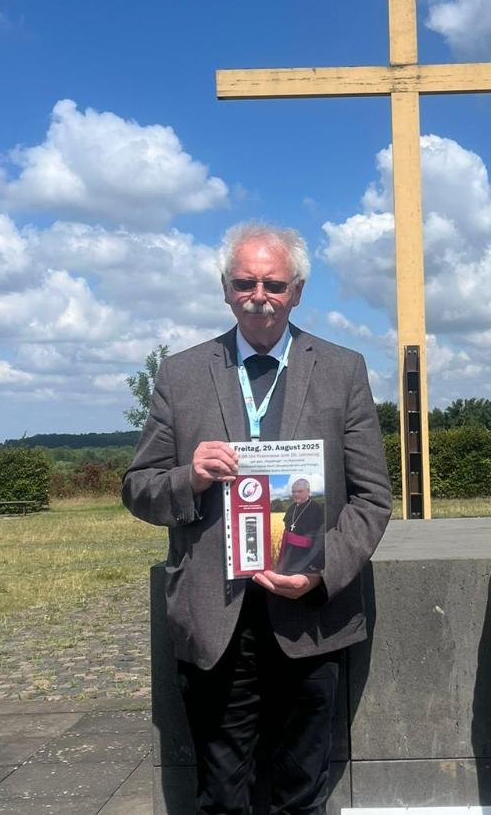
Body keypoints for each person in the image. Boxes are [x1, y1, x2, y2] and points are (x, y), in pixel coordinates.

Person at [123, 221, 392, 815]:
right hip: (214, 618)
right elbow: (138, 489)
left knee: (301, 794)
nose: (259, 296)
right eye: (245, 283)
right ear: (225, 289)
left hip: (308, 612)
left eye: (273, 283)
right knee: (221, 794)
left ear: (297, 291)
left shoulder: (343, 370)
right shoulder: (181, 373)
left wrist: (320, 570)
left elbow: (373, 497)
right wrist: (187, 478)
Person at [275, 477, 325, 574]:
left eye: (300, 491)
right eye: (293, 492)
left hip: (307, 556)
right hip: (289, 553)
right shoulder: (291, 508)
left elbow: (319, 540)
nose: (296, 494)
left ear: (308, 492)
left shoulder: (316, 508)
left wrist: (308, 562)